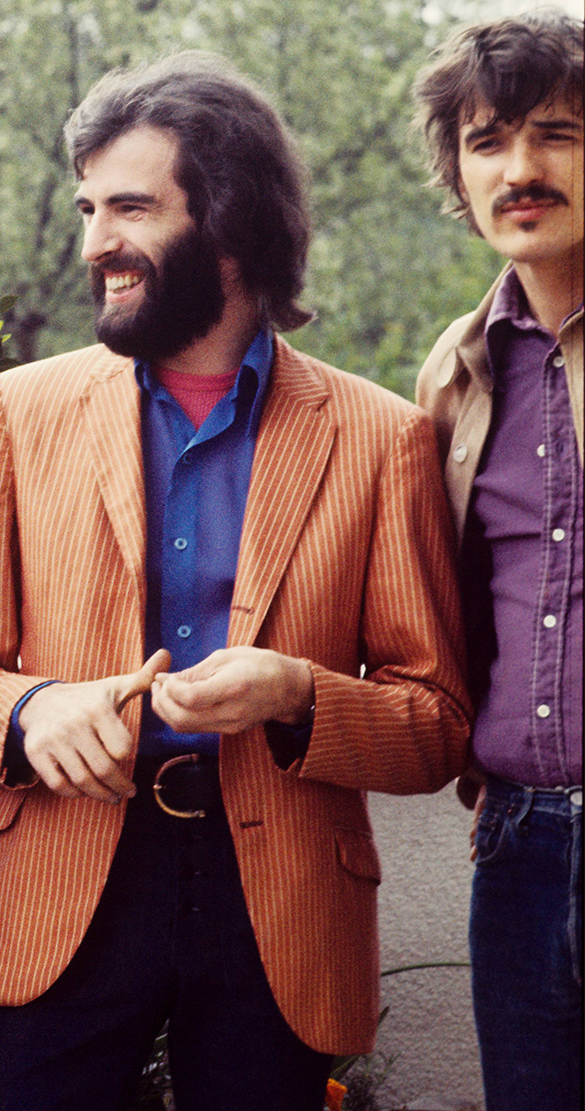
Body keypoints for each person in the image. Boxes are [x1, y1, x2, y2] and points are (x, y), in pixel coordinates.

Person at [0, 52, 471, 1109]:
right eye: (85, 207)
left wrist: (297, 694)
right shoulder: (16, 414)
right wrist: (31, 709)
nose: (93, 243)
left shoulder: (379, 438)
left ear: (229, 222)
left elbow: (434, 722)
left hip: (281, 900)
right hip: (68, 878)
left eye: (128, 206)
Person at [410, 13, 583, 1109]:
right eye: (485, 141)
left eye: (555, 133)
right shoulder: (455, 371)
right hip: (515, 842)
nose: (517, 169)